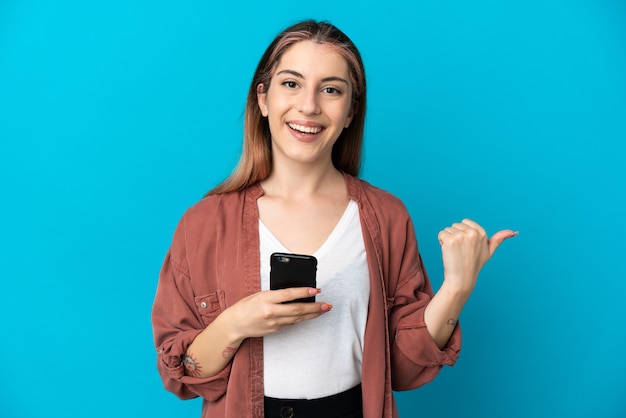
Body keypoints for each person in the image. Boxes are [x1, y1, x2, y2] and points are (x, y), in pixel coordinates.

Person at [151, 19, 517, 418]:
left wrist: (458, 288)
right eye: (291, 84)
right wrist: (236, 323)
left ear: (349, 112)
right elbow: (182, 376)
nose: (309, 105)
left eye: (330, 89)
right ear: (262, 99)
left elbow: (405, 370)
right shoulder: (204, 223)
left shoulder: (387, 216)